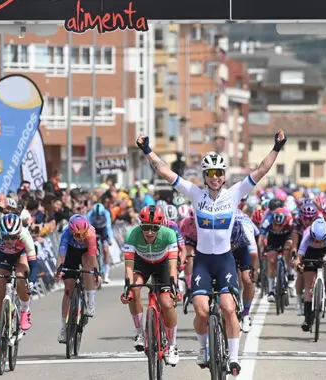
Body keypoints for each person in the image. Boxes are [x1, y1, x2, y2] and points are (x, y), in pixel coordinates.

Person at [136, 129, 286, 375]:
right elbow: (165, 171)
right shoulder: (195, 194)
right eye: (211, 173)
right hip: (204, 261)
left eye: (219, 173)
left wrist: (277, 147)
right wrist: (146, 150)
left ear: (224, 175)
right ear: (205, 176)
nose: (215, 177)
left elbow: (261, 170)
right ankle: (204, 349)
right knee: (201, 310)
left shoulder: (234, 193)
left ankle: (235, 358)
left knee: (228, 308)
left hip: (225, 260)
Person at [120, 206, 180, 365]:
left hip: (163, 265)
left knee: (167, 302)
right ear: (141, 225)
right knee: (134, 289)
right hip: (142, 264)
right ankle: (140, 333)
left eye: (154, 228)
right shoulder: (132, 234)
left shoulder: (169, 234)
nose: (150, 232)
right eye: (146, 227)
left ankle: (173, 345)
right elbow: (128, 266)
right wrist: (128, 287)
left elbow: (173, 266)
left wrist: (174, 285)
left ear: (160, 227)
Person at [0, 214, 37, 361]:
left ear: (19, 233)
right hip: (2, 258)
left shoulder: (25, 236)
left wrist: (30, 281)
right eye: (6, 237)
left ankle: (25, 309)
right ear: (1, 234)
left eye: (13, 237)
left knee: (19, 275)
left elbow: (34, 265)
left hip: (20, 256)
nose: (10, 241)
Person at [292, 218, 326, 331]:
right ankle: (307, 319)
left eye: (321, 240)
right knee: (309, 286)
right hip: (310, 252)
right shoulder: (307, 237)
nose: (318, 242)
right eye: (315, 240)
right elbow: (298, 257)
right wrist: (298, 265)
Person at [55, 215, 99, 343]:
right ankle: (63, 328)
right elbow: (61, 256)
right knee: (68, 289)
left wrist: (96, 272)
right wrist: (58, 271)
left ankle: (90, 302)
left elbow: (92, 257)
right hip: (71, 252)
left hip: (86, 253)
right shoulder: (66, 234)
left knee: (88, 269)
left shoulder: (90, 234)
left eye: (82, 235)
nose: (80, 238)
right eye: (77, 235)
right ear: (71, 231)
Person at [231, 209, 259, 332]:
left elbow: (253, 254)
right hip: (224, 248)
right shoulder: (218, 224)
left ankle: (246, 314)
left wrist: (254, 270)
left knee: (247, 279)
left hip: (243, 248)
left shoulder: (246, 228)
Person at [261, 207, 294, 303]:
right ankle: (271, 290)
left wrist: (294, 248)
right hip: (273, 239)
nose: (278, 228)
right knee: (271, 261)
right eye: (276, 225)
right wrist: (262, 250)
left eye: (280, 226)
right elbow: (261, 237)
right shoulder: (268, 221)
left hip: (286, 237)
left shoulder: (290, 221)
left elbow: (295, 235)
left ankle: (290, 274)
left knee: (288, 251)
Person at [87, 203, 114, 283]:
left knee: (105, 250)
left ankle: (106, 274)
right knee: (92, 250)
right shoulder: (90, 214)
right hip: (94, 228)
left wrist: (110, 239)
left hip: (103, 229)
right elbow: (88, 227)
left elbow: (108, 227)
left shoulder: (106, 213)